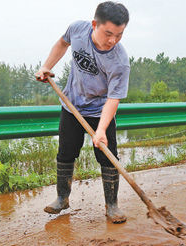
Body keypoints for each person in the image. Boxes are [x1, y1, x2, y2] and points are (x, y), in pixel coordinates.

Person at [35, 1, 130, 224]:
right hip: (72, 105)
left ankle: (112, 205)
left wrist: (102, 130)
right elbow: (61, 43)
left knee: (107, 157)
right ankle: (62, 198)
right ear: (94, 24)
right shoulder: (77, 30)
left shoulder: (120, 61)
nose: (113, 40)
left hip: (100, 111)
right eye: (108, 33)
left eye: (119, 35)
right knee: (66, 153)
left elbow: (113, 98)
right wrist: (46, 66)